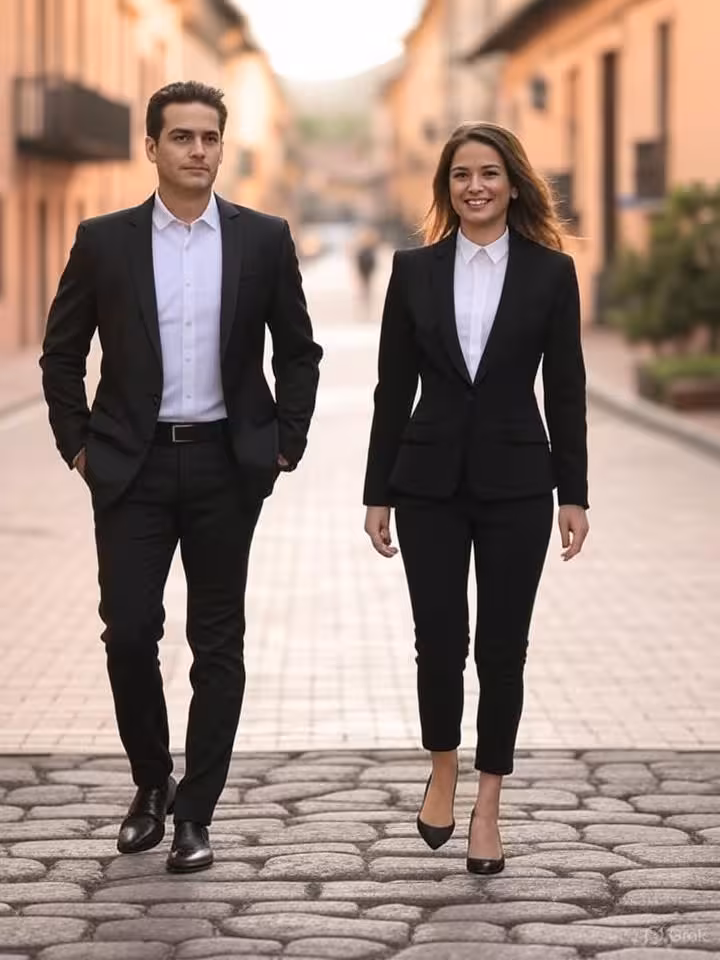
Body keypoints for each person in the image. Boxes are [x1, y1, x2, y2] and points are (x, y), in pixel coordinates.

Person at [40, 81, 322, 873]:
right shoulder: (105, 240)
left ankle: (196, 812)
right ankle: (150, 782)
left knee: (217, 641)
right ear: (153, 147)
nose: (198, 150)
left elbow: (297, 352)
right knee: (129, 632)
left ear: (221, 146)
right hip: (130, 467)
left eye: (209, 137)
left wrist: (282, 445)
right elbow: (62, 353)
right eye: (182, 137)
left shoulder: (263, 239)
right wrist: (78, 446)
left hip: (228, 466)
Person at [363, 122, 589, 875]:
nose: (475, 187)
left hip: (519, 485)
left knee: (501, 648)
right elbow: (392, 387)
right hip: (426, 484)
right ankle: (444, 764)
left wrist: (574, 492)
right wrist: (377, 493)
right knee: (438, 642)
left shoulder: (551, 273)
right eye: (461, 175)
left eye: (488, 173)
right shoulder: (413, 268)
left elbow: (566, 389)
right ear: (446, 187)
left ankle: (489, 804)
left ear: (513, 184)